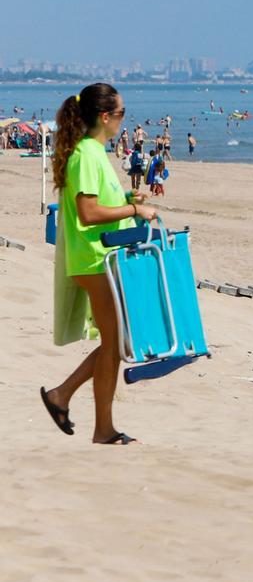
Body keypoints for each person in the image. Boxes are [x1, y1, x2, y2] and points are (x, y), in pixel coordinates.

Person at [40, 84, 161, 446]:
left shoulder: (92, 152)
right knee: (115, 344)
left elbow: (99, 202)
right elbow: (88, 212)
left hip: (97, 257)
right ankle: (92, 421)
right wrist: (136, 210)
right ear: (105, 117)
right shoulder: (87, 155)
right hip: (93, 259)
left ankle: (67, 400)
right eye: (122, 114)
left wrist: (126, 198)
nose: (125, 122)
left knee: (116, 343)